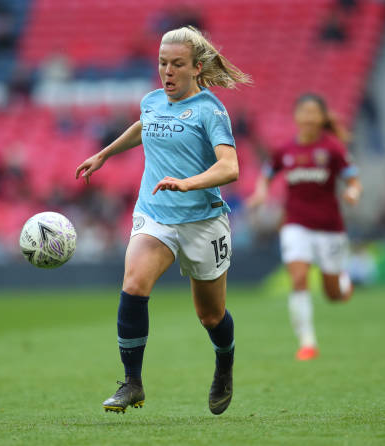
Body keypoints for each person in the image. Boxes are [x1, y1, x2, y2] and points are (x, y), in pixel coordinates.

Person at [75, 26, 251, 414]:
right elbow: (146, 126)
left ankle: (224, 364)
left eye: (177, 64)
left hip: (202, 221)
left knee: (211, 315)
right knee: (134, 282)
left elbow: (230, 167)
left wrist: (188, 183)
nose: (167, 72)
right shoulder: (152, 101)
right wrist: (104, 154)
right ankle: (132, 383)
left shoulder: (210, 110)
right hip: (155, 216)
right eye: (162, 63)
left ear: (197, 67)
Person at [247, 93, 361, 361]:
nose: (308, 117)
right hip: (295, 224)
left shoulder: (333, 149)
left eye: (314, 112)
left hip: (330, 227)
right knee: (298, 279)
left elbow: (354, 180)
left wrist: (353, 193)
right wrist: (261, 192)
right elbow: (266, 174)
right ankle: (307, 343)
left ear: (322, 118)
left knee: (333, 295)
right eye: (304, 112)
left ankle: (343, 282)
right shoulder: (285, 151)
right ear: (296, 116)